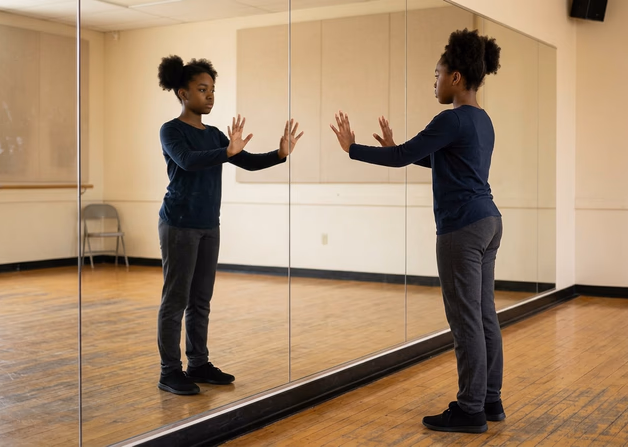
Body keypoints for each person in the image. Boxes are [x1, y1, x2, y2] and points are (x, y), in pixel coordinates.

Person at [330, 28, 503, 433]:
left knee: (466, 322)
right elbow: (446, 163)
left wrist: (354, 148)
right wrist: (401, 149)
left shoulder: (452, 117)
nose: (436, 81)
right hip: (489, 221)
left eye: (438, 73)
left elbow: (405, 156)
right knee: (484, 316)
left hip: (461, 228)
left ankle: (470, 409)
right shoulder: (482, 121)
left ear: (456, 77)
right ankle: (490, 401)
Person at [156, 56, 303, 395]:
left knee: (201, 299)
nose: (209, 96)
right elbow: (187, 162)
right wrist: (226, 152)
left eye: (212, 90)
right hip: (178, 224)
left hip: (209, 224)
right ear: (182, 93)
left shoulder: (215, 134)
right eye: (202, 89)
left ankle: (198, 363)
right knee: (175, 300)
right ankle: (169, 371)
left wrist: (279, 154)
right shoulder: (172, 130)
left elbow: (247, 162)